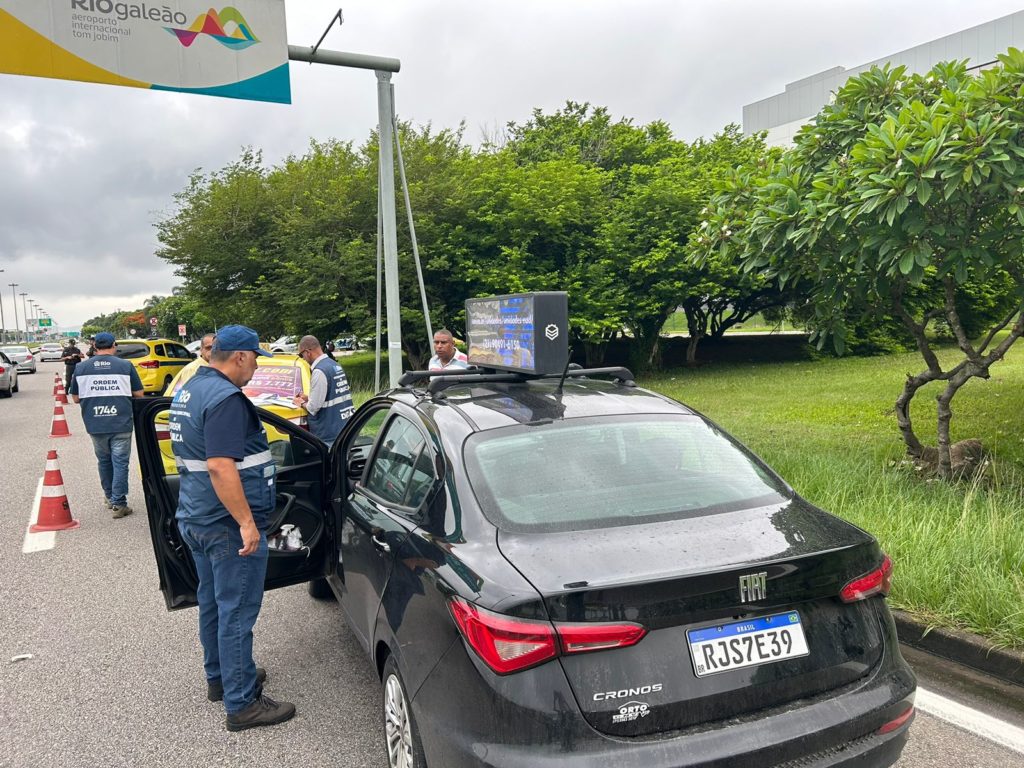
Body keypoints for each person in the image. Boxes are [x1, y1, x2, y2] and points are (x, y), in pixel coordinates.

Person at [169, 324, 295, 731]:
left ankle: (221, 680)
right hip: (226, 525)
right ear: (239, 356)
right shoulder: (225, 398)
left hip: (196, 516)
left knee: (213, 604)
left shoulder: (191, 387)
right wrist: (246, 523)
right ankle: (242, 705)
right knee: (237, 612)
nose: (257, 367)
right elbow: (221, 466)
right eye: (256, 358)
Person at [69, 332, 144, 518]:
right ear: (114, 345)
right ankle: (119, 503)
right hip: (121, 422)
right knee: (120, 462)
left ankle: (110, 497)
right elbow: (139, 394)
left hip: (95, 423)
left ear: (94, 346)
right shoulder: (125, 365)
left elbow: (76, 398)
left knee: (103, 460)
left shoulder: (81, 367)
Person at [293, 335, 354, 444]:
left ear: (308, 352)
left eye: (302, 355)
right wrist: (309, 397)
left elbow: (313, 407)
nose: (304, 359)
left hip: (329, 433)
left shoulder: (319, 371)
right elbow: (333, 393)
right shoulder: (334, 365)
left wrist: (301, 402)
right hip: (345, 427)